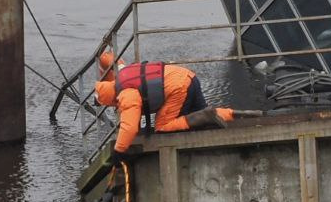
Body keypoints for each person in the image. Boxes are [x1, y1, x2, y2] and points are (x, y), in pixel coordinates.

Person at [94, 52, 235, 164]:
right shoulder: (123, 72)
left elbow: (129, 127)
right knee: (205, 121)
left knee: (163, 127)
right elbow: (108, 57)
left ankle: (206, 116)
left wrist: (119, 152)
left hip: (178, 88)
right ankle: (233, 115)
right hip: (188, 76)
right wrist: (102, 57)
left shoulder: (126, 94)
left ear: (109, 98)